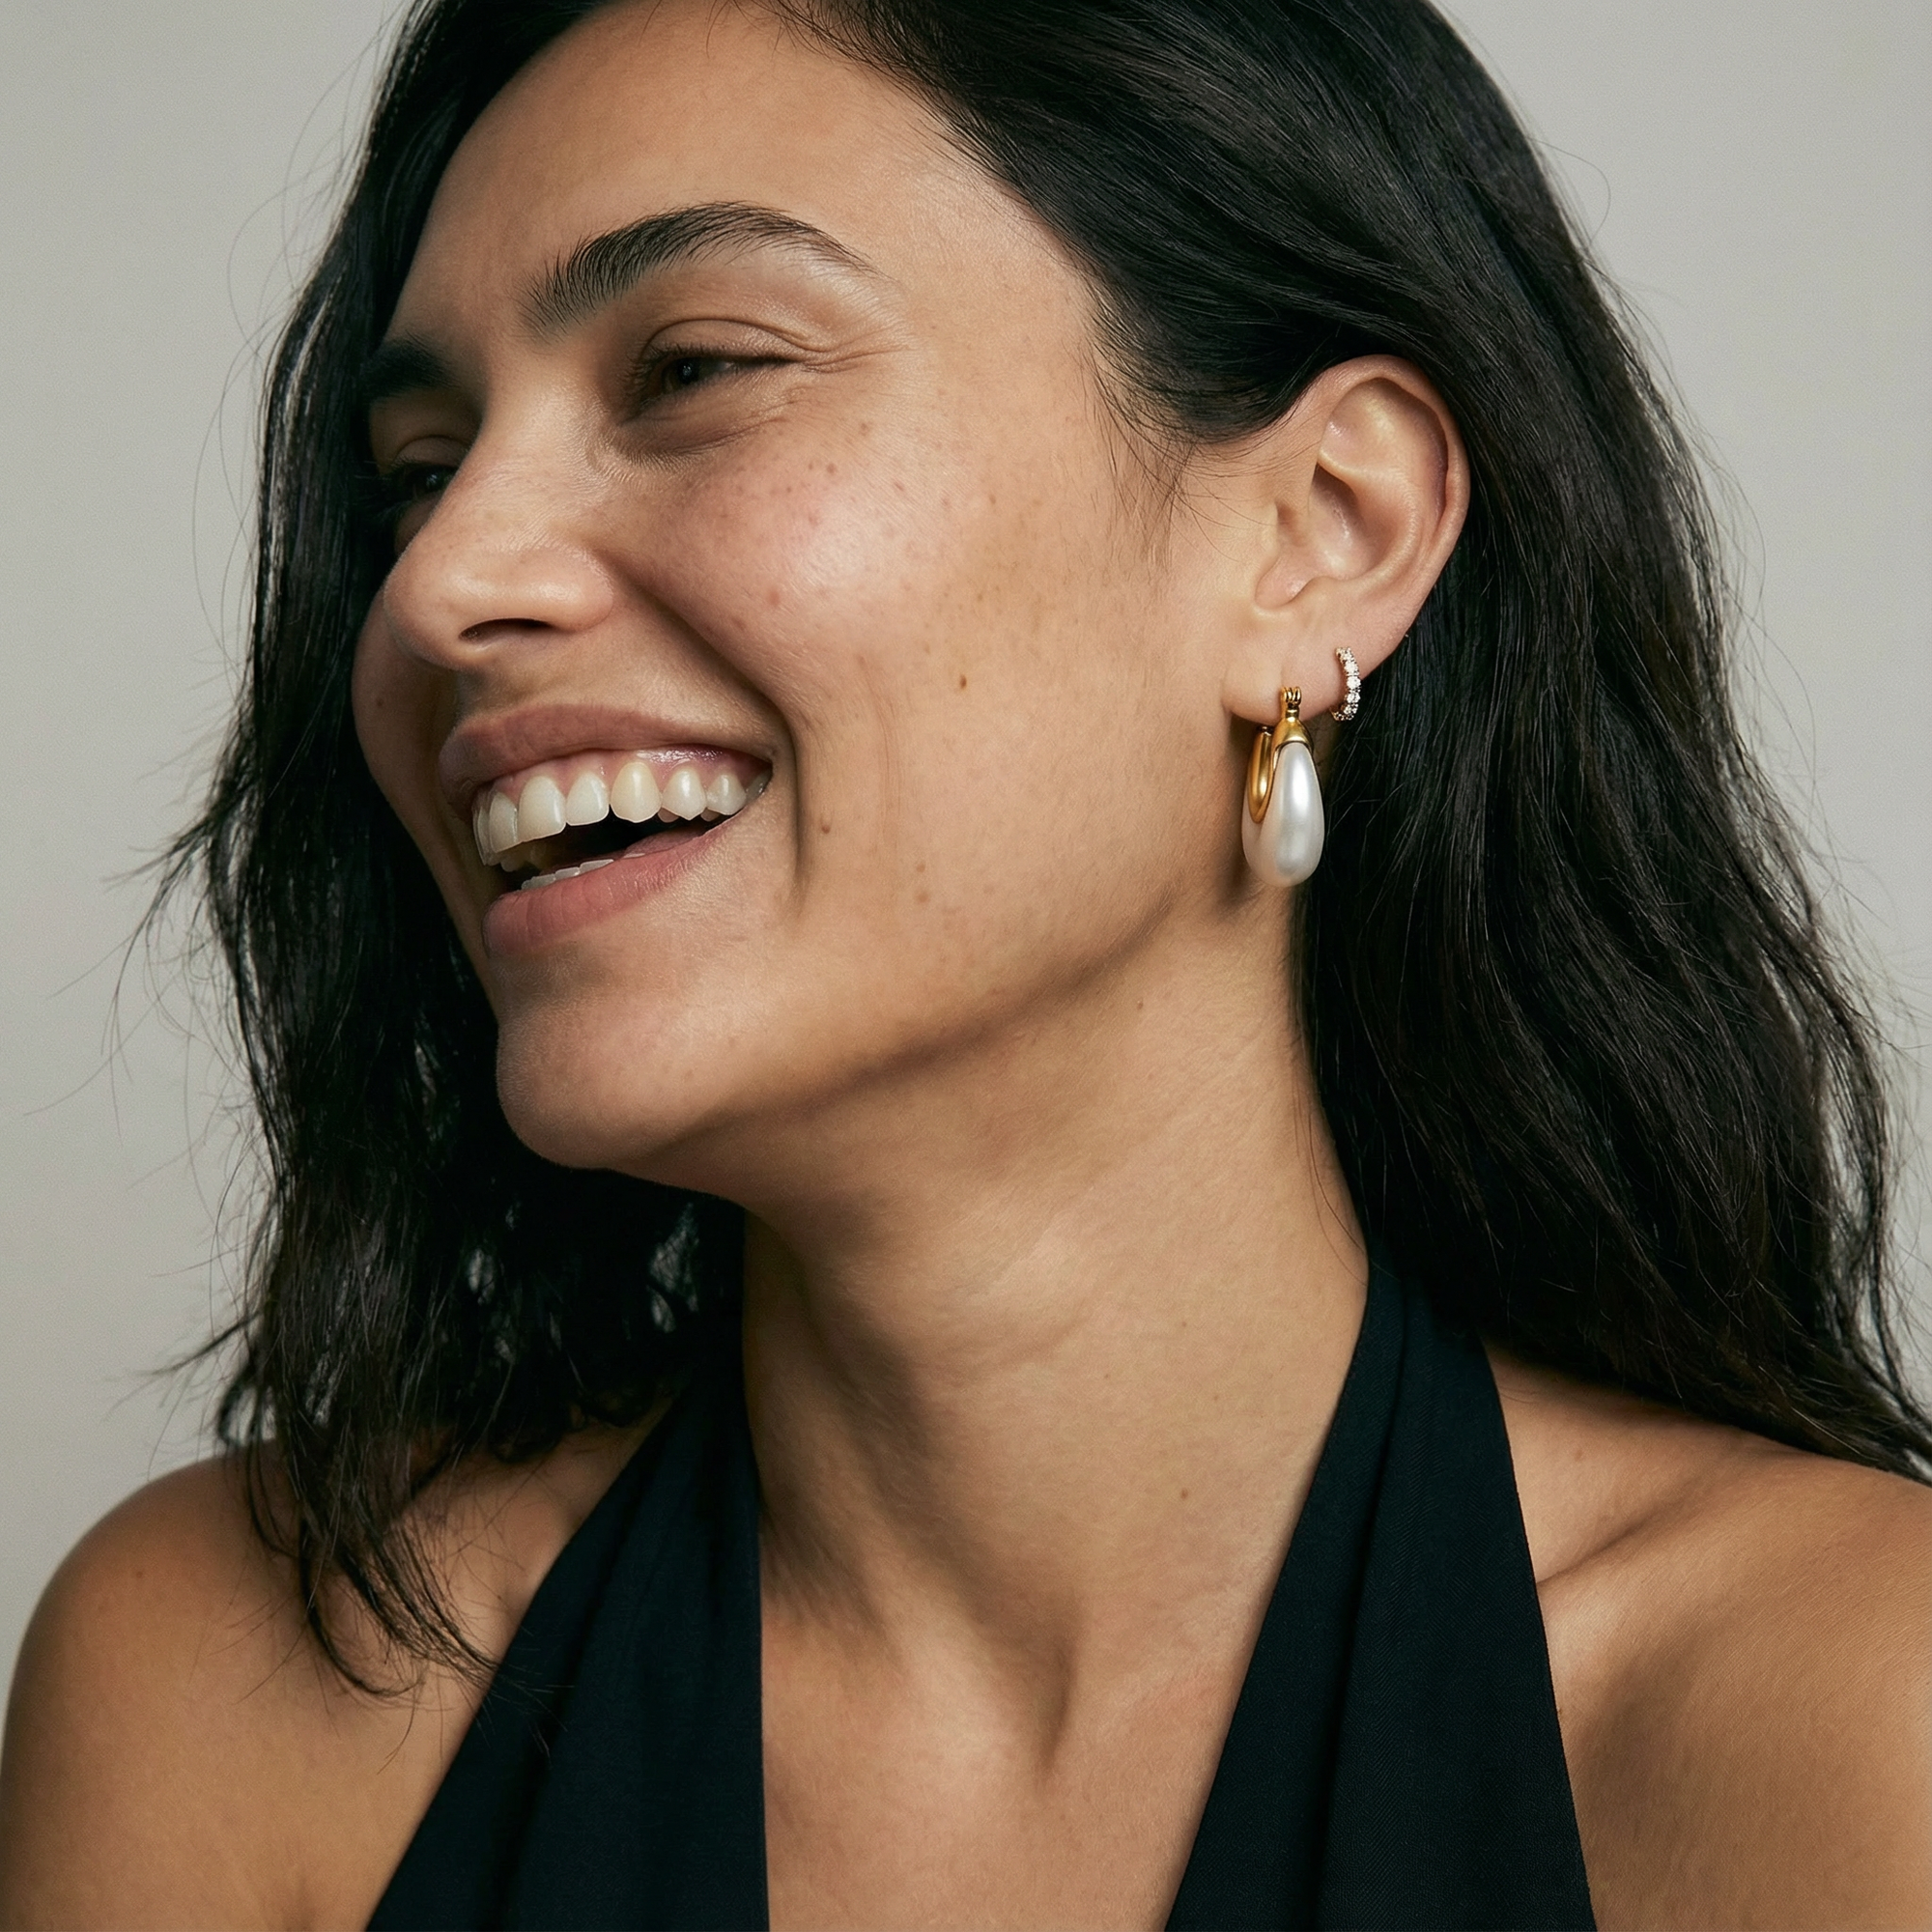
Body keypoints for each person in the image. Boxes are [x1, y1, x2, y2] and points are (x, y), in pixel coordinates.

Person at [2, 0, 1927, 1925]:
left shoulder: (1845, 1716)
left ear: (1320, 534)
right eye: (419, 468)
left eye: (694, 365)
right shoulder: (237, 1689)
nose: (436, 583)